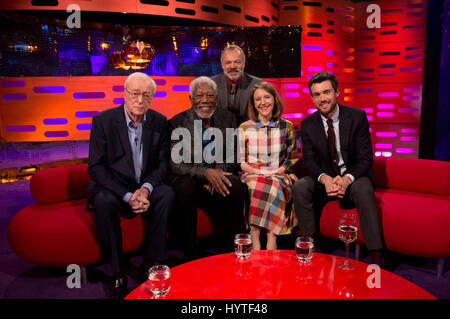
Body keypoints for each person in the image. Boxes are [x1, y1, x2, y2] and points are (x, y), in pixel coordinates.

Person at [87, 72, 174, 299]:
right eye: (135, 93)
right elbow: (96, 168)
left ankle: (150, 262)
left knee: (166, 193)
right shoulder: (103, 121)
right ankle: (117, 270)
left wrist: (145, 189)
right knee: (103, 200)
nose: (140, 100)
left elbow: (164, 164)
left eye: (146, 95)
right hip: (115, 189)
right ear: (124, 94)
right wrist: (127, 195)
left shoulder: (159, 121)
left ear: (152, 97)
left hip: (144, 186)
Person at [292, 71, 384, 266]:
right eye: (317, 95)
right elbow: (308, 162)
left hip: (352, 179)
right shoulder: (308, 124)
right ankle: (311, 246)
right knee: (300, 186)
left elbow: (365, 158)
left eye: (326, 92)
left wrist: (347, 179)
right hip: (325, 182)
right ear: (312, 98)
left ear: (337, 92)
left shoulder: (357, 117)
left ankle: (376, 254)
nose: (322, 99)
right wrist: (325, 179)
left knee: (364, 188)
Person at [168, 76, 246, 260]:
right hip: (191, 182)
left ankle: (231, 250)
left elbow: (232, 155)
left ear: (216, 99)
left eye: (210, 96)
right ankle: (190, 253)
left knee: (234, 183)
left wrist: (217, 173)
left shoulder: (228, 118)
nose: (205, 100)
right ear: (190, 99)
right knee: (184, 186)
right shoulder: (177, 122)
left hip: (216, 180)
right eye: (199, 96)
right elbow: (175, 164)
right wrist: (205, 173)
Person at [239, 82, 299, 250]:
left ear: (274, 100)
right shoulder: (244, 127)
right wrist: (258, 171)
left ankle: (272, 237)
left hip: (279, 173)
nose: (263, 102)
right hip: (252, 172)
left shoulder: (286, 126)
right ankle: (255, 238)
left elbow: (291, 158)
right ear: (253, 103)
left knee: (274, 183)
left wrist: (277, 170)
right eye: (258, 99)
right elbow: (241, 161)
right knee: (256, 184)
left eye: (267, 97)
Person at [211, 45, 261, 125]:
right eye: (228, 62)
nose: (233, 66)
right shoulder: (210, 84)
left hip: (248, 134)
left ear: (244, 63)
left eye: (237, 62)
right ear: (222, 65)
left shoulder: (257, 84)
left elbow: (261, 117)